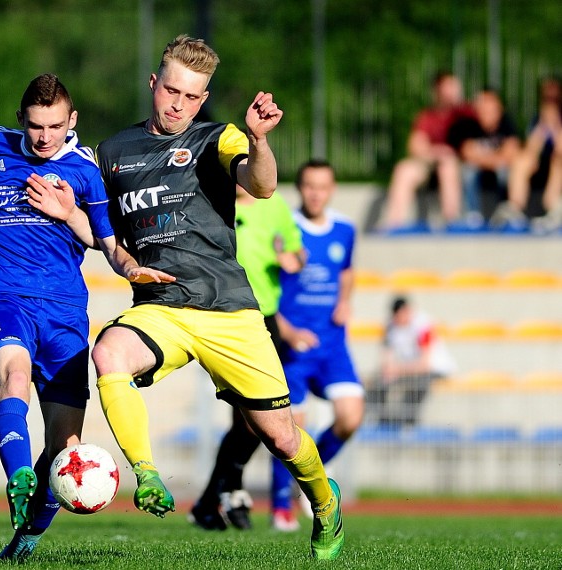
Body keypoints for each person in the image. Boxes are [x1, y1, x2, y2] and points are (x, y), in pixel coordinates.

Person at [90, 35, 344, 560]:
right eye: (172, 90)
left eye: (191, 96)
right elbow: (104, 234)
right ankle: (147, 476)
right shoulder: (112, 152)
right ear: (154, 83)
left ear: (203, 99)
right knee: (108, 352)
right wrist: (121, 258)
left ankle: (324, 502)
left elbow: (263, 183)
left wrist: (260, 141)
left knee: (280, 437)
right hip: (162, 308)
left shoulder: (217, 138)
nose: (178, 104)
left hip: (229, 309)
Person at [0, 74, 172, 561]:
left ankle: (27, 537)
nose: (43, 137)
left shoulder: (84, 171)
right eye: (36, 126)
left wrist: (130, 269)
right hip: (5, 296)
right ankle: (17, 475)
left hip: (64, 312)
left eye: (54, 126)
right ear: (22, 120)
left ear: (71, 121)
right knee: (12, 376)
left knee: (66, 449)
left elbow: (105, 240)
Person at [188, 185, 305, 531]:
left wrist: (291, 260)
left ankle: (215, 499)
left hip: (265, 321)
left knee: (256, 421)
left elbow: (298, 254)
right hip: (225, 318)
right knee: (250, 419)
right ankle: (226, 495)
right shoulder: (211, 201)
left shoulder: (275, 205)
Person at [269, 160, 365, 532]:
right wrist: (287, 331)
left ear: (332, 189)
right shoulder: (285, 228)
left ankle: (315, 479)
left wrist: (345, 300)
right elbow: (266, 284)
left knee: (351, 416)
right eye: (309, 185)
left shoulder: (345, 229)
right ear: (300, 187)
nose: (315, 193)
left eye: (322, 186)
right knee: (289, 428)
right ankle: (281, 506)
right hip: (294, 346)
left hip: (332, 345)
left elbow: (347, 271)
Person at [381, 72, 475, 230]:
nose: (451, 91)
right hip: (432, 163)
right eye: (448, 86)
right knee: (403, 169)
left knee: (448, 164)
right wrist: (436, 152)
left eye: (454, 86)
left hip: (459, 164)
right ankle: (394, 225)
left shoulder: (467, 114)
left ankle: (451, 220)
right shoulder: (427, 116)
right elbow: (415, 146)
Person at [366, 296, 455, 427]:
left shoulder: (423, 326)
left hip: (435, 369)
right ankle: (382, 420)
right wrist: (389, 370)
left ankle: (409, 422)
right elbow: (387, 358)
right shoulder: (392, 326)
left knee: (419, 384)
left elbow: (425, 364)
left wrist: (397, 370)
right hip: (411, 369)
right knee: (379, 381)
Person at [490, 76, 562, 232]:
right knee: (522, 160)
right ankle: (514, 208)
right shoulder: (537, 119)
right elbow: (531, 149)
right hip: (541, 166)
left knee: (559, 160)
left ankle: (555, 206)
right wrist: (543, 127)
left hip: (557, 164)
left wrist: (555, 127)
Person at [447, 88, 520, 227]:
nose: (485, 111)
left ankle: (506, 212)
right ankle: (471, 214)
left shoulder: (507, 123)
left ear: (498, 108)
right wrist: (495, 159)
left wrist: (484, 157)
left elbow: (512, 152)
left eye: (489, 107)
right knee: (468, 171)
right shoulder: (469, 124)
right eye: (482, 107)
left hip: (498, 167)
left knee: (505, 171)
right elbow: (467, 153)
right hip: (478, 168)